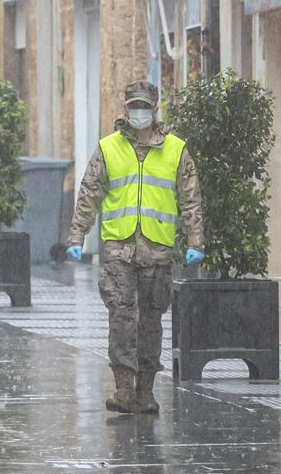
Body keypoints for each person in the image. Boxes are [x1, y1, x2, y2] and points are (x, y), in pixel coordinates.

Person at [66, 80, 205, 415]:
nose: (139, 112)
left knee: (151, 322)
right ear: (125, 109)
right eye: (134, 106)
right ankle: (124, 389)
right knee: (121, 317)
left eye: (144, 106)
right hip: (119, 248)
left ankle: (146, 391)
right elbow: (89, 194)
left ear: (154, 109)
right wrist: (77, 236)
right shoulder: (108, 148)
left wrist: (196, 240)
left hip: (157, 250)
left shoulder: (176, 150)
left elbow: (190, 199)